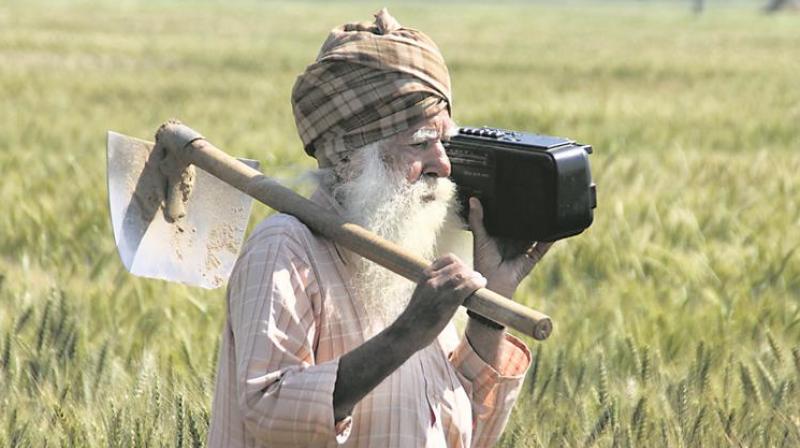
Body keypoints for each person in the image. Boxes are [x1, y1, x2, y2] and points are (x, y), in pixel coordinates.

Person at [208, 8, 552, 447]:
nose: (443, 164)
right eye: (420, 144)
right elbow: (269, 410)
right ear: (351, 158)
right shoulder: (285, 249)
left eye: (444, 142)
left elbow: (466, 434)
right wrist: (407, 334)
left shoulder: (409, 254)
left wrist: (491, 305)